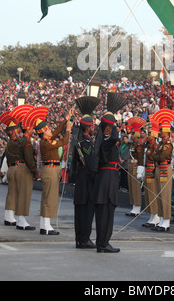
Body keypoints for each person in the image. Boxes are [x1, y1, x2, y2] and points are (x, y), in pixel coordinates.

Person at [23, 106, 73, 235]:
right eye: (49, 130)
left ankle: (44, 225)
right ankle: (46, 226)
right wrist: (68, 129)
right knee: (49, 198)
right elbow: (64, 140)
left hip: (50, 170)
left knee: (47, 197)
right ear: (44, 133)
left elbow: (56, 132)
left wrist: (66, 119)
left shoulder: (45, 140)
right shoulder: (46, 143)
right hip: (50, 170)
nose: (52, 131)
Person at [93, 92, 128, 253]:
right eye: (112, 126)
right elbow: (114, 136)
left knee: (105, 212)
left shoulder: (104, 140)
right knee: (106, 211)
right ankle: (103, 242)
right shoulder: (107, 140)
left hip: (106, 178)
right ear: (107, 128)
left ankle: (102, 242)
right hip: (108, 179)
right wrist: (111, 120)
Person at [71, 96, 99, 249]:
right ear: (88, 128)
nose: (93, 128)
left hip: (79, 178)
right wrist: (94, 175)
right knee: (87, 210)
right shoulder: (86, 142)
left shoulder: (78, 139)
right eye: (92, 126)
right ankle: (84, 239)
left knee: (79, 210)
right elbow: (89, 161)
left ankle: (79, 239)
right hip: (86, 179)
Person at [150, 108, 174, 232]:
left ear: (167, 132)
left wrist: (156, 156)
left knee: (165, 195)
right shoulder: (161, 145)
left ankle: (166, 221)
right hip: (158, 168)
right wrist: (156, 156)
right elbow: (154, 156)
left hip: (164, 168)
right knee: (159, 194)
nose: (160, 132)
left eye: (161, 130)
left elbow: (160, 156)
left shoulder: (167, 145)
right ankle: (161, 219)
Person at [0, 111, 20, 226]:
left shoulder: (11, 143)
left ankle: (9, 216)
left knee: (12, 194)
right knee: (12, 194)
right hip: (14, 168)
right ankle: (10, 217)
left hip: (12, 168)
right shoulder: (14, 143)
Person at [125, 117, 147, 217]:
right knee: (131, 187)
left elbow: (141, 159)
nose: (132, 135)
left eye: (133, 133)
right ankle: (133, 205)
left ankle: (137, 206)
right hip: (131, 166)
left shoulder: (139, 145)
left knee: (136, 187)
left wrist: (140, 171)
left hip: (135, 166)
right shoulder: (133, 144)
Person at [141, 118, 160, 228]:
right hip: (147, 170)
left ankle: (156, 216)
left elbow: (155, 159)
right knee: (148, 194)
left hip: (152, 171)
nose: (147, 136)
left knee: (153, 193)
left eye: (149, 134)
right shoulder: (148, 146)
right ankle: (152, 215)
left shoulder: (155, 146)